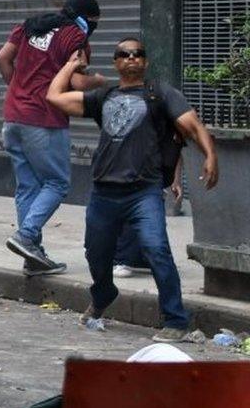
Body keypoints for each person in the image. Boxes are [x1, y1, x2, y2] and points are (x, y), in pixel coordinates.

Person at [46, 38, 218, 343]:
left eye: (138, 53)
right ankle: (103, 295)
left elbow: (192, 125)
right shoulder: (104, 96)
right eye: (124, 54)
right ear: (116, 62)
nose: (131, 58)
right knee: (97, 254)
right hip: (103, 192)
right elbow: (54, 97)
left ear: (146, 61)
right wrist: (72, 65)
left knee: (156, 250)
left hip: (143, 192)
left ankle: (176, 320)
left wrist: (210, 155)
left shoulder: (160, 94)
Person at [0, 0, 106, 275]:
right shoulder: (74, 37)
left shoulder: (31, 25)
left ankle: (33, 257)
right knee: (56, 183)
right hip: (43, 120)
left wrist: (17, 90)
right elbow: (77, 80)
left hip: (13, 117)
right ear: (86, 19)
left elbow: (2, 58)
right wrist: (99, 81)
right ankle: (27, 235)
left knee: (28, 187)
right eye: (94, 22)